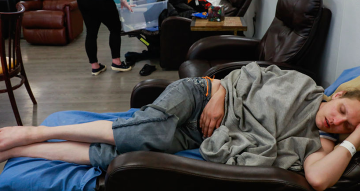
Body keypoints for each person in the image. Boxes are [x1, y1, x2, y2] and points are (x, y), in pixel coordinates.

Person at [1, 63, 360, 191]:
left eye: (347, 126)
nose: (337, 120)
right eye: (344, 109)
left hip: (202, 136)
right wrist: (218, 93)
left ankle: (19, 148)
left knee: (119, 152)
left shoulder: (320, 145)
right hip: (201, 96)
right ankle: (37, 133)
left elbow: (318, 180)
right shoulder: (300, 83)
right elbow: (240, 75)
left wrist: (354, 139)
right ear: (338, 93)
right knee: (151, 130)